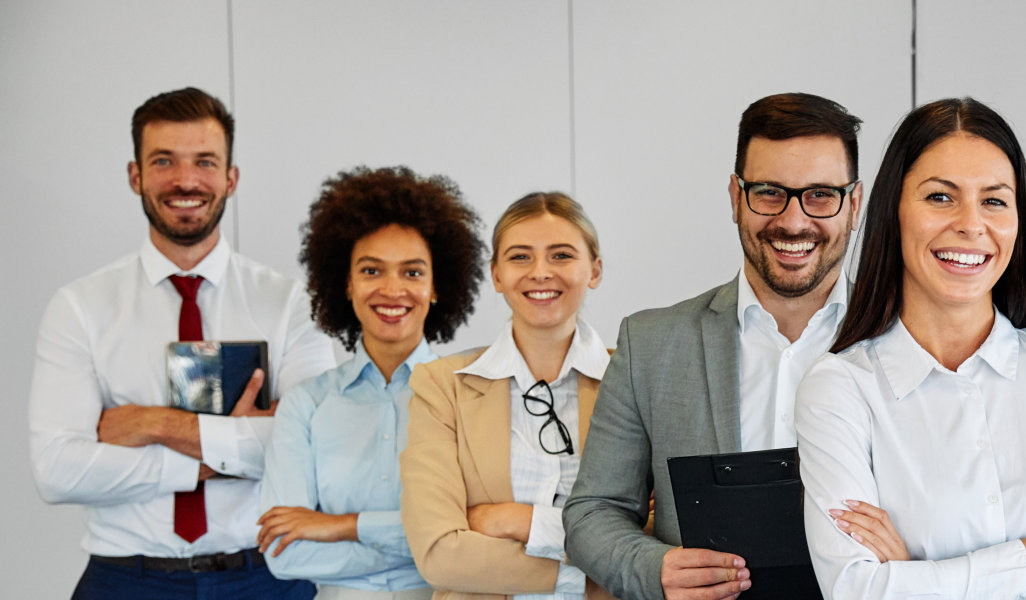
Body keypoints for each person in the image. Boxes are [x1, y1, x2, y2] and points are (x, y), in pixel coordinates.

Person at [794, 97, 1026, 598]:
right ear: (893, 211)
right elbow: (857, 589)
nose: (970, 223)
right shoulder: (839, 390)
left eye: (994, 200)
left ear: (1018, 220)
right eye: (940, 197)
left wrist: (914, 578)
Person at [28, 87, 336, 599]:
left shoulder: (292, 304)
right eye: (164, 161)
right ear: (136, 176)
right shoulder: (79, 307)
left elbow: (318, 450)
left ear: (231, 179)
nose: (186, 180)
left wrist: (152, 425)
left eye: (205, 162)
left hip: (264, 577)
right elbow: (57, 470)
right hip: (125, 581)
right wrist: (227, 451)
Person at [564, 92, 863, 600]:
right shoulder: (651, 345)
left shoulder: (906, 339)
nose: (793, 221)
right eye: (769, 192)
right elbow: (593, 512)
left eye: (820, 195)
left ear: (854, 204)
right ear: (734, 197)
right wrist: (654, 567)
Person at [257, 166, 488, 599]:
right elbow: (284, 553)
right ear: (345, 283)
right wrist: (430, 547)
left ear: (437, 287)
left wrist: (343, 527)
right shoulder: (306, 405)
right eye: (371, 270)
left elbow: (482, 532)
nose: (392, 288)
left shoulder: (470, 396)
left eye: (413, 272)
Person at [400, 193, 614, 600]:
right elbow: (438, 553)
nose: (540, 272)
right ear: (496, 275)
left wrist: (522, 521)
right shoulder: (442, 386)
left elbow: (661, 532)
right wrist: (585, 576)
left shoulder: (635, 378)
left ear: (595, 270)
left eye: (561, 255)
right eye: (520, 257)